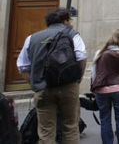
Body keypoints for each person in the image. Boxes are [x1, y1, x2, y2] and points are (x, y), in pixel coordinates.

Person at [17, 8, 87, 144]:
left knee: (46, 131)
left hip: (43, 88)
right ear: (65, 20)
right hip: (68, 86)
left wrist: (34, 83)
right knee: (71, 127)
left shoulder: (32, 38)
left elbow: (22, 66)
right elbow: (81, 56)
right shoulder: (72, 34)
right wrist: (78, 78)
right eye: (69, 20)